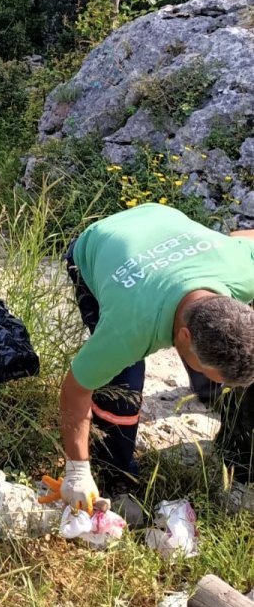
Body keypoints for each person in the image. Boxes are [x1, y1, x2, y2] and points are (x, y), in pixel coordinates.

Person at [57, 202, 254, 518]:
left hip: (162, 220)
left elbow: (246, 235)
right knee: (122, 383)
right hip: (98, 245)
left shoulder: (242, 270)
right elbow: (75, 390)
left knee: (223, 375)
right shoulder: (128, 329)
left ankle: (233, 444)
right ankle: (117, 478)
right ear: (183, 338)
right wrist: (77, 469)